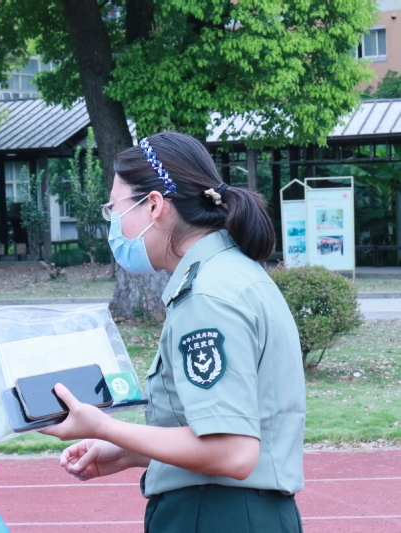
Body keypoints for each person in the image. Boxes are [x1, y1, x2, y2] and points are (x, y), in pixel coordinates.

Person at [41, 132, 306, 532]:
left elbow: (232, 452)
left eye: (115, 207)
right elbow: (230, 430)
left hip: (214, 515)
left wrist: (102, 425)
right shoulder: (233, 274)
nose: (114, 222)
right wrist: (129, 451)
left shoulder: (207, 296)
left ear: (153, 205)